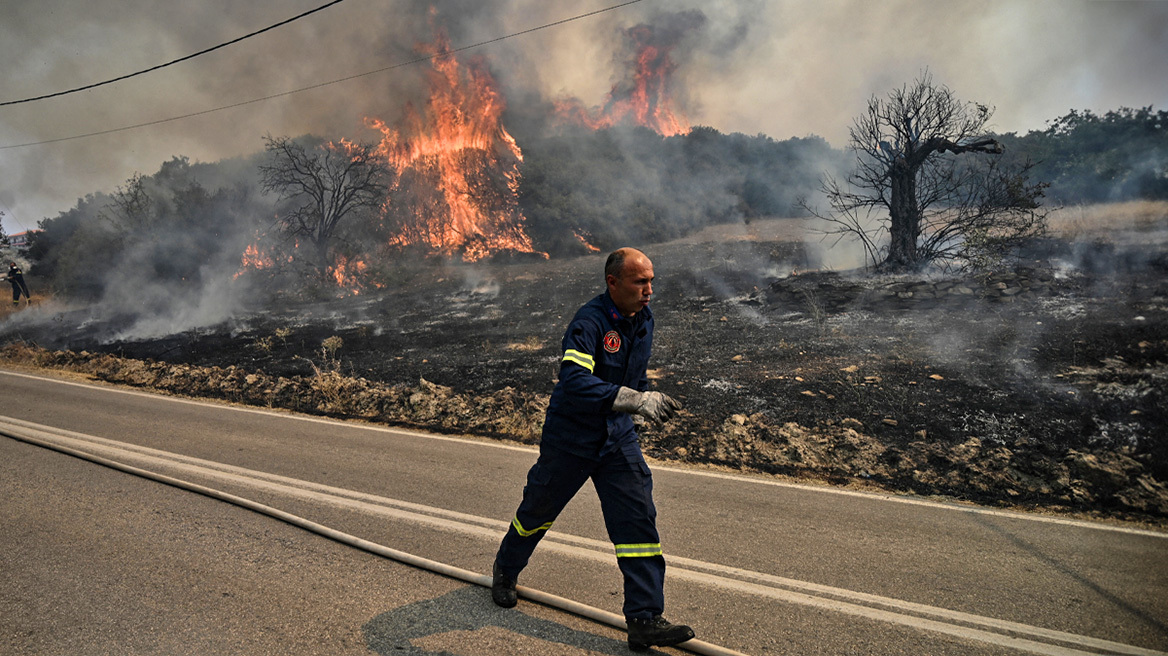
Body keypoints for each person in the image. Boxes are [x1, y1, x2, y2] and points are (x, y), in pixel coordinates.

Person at [491, 247, 694, 652]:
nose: (649, 290)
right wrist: (634, 400)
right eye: (640, 282)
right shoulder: (590, 322)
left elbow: (631, 374)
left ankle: (644, 619)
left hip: (616, 437)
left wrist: (641, 400)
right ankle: (505, 570)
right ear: (613, 283)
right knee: (537, 511)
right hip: (572, 438)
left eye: (651, 281)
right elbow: (574, 381)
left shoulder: (643, 320)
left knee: (637, 522)